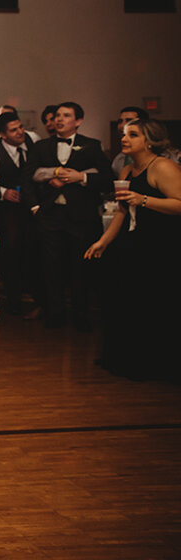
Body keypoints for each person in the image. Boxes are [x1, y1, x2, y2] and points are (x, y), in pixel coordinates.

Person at [85, 117, 181, 381]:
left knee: (154, 305)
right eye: (124, 134)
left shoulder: (163, 167)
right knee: (123, 300)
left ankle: (154, 364)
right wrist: (103, 241)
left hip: (161, 245)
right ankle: (125, 359)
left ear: (149, 141)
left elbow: (179, 204)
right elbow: (122, 212)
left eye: (133, 134)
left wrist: (145, 199)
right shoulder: (127, 171)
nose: (125, 139)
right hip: (133, 241)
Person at [23, 101, 112, 331]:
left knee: (79, 267)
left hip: (80, 216)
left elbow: (106, 178)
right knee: (50, 267)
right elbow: (27, 177)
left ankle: (80, 315)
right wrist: (35, 208)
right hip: (50, 214)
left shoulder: (92, 146)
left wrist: (81, 178)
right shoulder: (41, 146)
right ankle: (55, 314)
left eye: (66, 115)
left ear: (78, 121)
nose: (59, 119)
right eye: (57, 116)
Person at [0, 111, 44, 316]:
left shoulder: (33, 140)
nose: (20, 132)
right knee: (10, 251)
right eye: (14, 130)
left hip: (32, 206)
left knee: (34, 249)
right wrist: (2, 192)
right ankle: (14, 301)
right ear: (3, 135)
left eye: (20, 127)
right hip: (7, 210)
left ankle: (39, 299)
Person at [110, 106, 149, 175]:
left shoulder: (165, 159)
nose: (122, 125)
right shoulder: (119, 160)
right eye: (120, 121)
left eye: (129, 120)